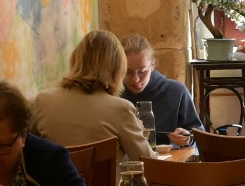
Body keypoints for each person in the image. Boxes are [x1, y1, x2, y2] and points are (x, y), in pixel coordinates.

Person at [32, 30, 155, 163]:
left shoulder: (42, 101)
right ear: (118, 68)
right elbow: (150, 164)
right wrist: (139, 131)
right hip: (103, 178)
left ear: (76, 59)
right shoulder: (121, 109)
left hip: (56, 177)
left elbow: (25, 150)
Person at [121, 34, 202, 147]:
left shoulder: (176, 92)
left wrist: (188, 137)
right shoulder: (114, 95)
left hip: (171, 158)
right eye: (128, 72)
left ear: (152, 64)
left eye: (142, 71)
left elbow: (199, 135)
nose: (135, 79)